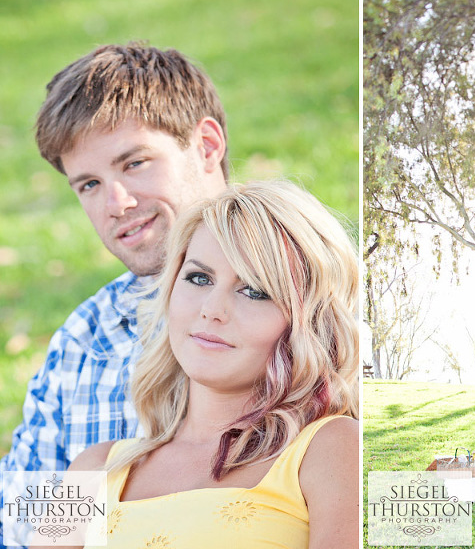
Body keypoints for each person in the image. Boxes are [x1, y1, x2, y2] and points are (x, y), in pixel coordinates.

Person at [0, 42, 229, 543]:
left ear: (207, 147)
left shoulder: (316, 297)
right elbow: (21, 524)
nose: (117, 204)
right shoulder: (86, 339)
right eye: (89, 184)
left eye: (135, 163)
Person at [60, 181, 359, 548]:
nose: (212, 310)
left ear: (307, 322)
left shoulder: (330, 447)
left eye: (254, 290)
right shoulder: (90, 468)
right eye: (199, 278)